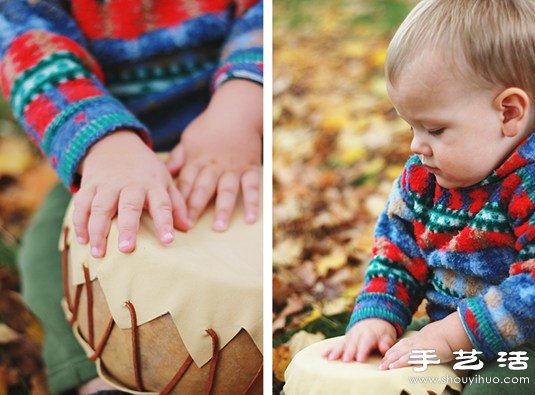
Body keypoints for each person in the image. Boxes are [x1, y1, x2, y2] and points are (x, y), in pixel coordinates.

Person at [0, 0, 262, 393]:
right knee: (42, 252)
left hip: (233, 142)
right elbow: (28, 47)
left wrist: (241, 104)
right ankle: (92, 379)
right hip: (103, 153)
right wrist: (103, 142)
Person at [323, 0, 535, 393]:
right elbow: (397, 255)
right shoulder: (423, 178)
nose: (416, 145)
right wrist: (378, 316)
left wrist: (451, 336)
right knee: (359, 369)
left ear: (508, 113)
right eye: (410, 126)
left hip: (523, 346)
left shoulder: (529, 183)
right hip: (449, 334)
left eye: (434, 129)